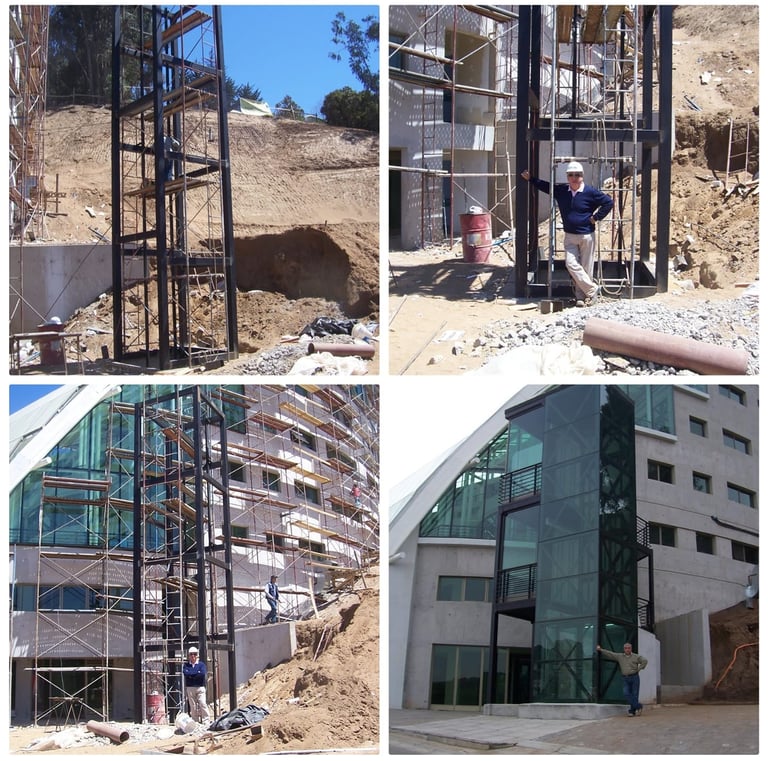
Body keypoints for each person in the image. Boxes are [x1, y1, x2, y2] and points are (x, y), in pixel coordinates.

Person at [521, 161, 613, 306]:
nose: (574, 177)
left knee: (586, 267)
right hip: (570, 236)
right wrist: (531, 179)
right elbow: (546, 186)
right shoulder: (562, 191)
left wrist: (596, 218)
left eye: (577, 175)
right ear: (567, 177)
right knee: (571, 264)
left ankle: (581, 297)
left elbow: (608, 202)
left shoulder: (590, 192)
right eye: (571, 175)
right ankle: (592, 289)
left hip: (587, 235)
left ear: (582, 176)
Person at [596, 642, 648, 716]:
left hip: (634, 677)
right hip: (625, 678)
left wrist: (639, 669)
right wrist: (600, 650)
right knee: (626, 693)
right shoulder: (620, 656)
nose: (627, 649)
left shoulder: (636, 656)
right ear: (624, 649)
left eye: (629, 648)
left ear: (631, 649)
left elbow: (645, 661)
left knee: (635, 694)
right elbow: (610, 654)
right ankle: (639, 706)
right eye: (626, 648)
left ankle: (632, 712)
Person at [182, 646, 211, 723]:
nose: (193, 656)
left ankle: (206, 720)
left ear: (197, 655)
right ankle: (195, 721)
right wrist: (196, 673)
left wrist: (191, 674)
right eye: (191, 654)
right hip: (190, 687)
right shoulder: (186, 665)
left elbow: (202, 674)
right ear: (189, 655)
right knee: (193, 706)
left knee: (203, 703)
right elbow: (186, 673)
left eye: (194, 654)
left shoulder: (201, 665)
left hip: (200, 687)